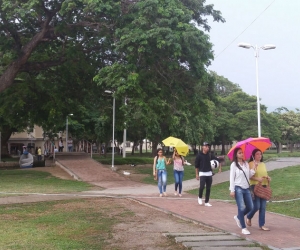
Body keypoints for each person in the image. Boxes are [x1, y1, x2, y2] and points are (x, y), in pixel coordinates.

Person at [229, 147, 255, 235]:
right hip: (238, 187)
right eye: (239, 153)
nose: (241, 154)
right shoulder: (234, 165)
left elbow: (248, 175)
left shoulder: (246, 163)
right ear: (236, 154)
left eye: (242, 153)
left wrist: (254, 169)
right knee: (241, 207)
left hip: (246, 187)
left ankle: (238, 217)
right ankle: (244, 228)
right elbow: (231, 178)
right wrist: (232, 190)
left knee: (250, 206)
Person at [246, 149, 271, 231]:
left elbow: (265, 174)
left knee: (263, 207)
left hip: (263, 186)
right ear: (254, 155)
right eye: (257, 154)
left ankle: (262, 224)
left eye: (260, 154)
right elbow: (249, 176)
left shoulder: (263, 164)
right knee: (257, 206)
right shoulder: (250, 164)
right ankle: (249, 216)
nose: (259, 155)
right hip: (254, 186)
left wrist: (268, 178)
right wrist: (257, 179)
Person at [195, 142, 223, 206]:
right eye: (206, 146)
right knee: (202, 186)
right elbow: (196, 166)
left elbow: (219, 160)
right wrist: (196, 174)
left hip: (209, 173)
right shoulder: (199, 155)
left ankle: (206, 202)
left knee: (208, 188)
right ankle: (199, 197)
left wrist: (220, 168)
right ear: (203, 147)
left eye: (208, 146)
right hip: (202, 173)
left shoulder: (210, 155)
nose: (207, 147)